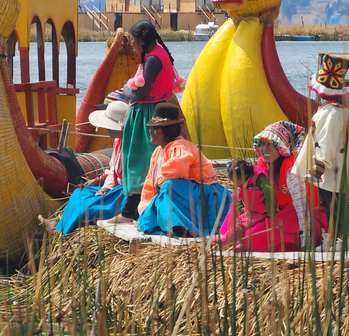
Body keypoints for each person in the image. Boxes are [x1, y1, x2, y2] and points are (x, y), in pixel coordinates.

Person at [108, 20, 178, 224]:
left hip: (146, 114)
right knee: (150, 161)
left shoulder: (153, 60)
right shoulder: (159, 54)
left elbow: (140, 93)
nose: (131, 44)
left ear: (142, 40)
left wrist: (126, 88)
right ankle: (140, 210)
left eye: (132, 40)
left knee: (138, 161)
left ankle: (129, 213)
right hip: (157, 108)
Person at [292, 53, 349, 250]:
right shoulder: (336, 110)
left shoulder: (331, 113)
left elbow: (326, 142)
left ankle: (345, 240)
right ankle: (334, 240)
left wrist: (319, 167)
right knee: (332, 202)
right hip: (337, 164)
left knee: (335, 203)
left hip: (332, 166)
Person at [137, 103, 230, 236]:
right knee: (154, 206)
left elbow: (177, 171)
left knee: (169, 185)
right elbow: (150, 183)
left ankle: (184, 226)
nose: (150, 132)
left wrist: (161, 183)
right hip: (182, 193)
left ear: (161, 131)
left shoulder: (180, 146)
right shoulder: (158, 151)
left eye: (152, 128)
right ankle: (172, 225)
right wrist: (146, 207)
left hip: (201, 193)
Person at [38, 99, 129, 234]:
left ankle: (62, 234)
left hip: (124, 194)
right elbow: (114, 171)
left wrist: (109, 188)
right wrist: (105, 187)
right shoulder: (118, 142)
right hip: (114, 189)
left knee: (86, 207)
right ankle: (59, 225)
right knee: (78, 193)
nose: (106, 129)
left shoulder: (131, 146)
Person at [251, 121, 325, 251]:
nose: (264, 149)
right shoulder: (263, 165)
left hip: (307, 218)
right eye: (261, 144)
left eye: (269, 144)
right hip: (284, 215)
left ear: (281, 147)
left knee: (257, 238)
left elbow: (301, 206)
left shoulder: (291, 168)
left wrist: (305, 241)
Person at [213, 158, 277, 250]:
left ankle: (228, 239)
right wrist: (241, 210)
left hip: (263, 212)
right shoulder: (243, 183)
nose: (236, 184)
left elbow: (269, 191)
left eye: (237, 182)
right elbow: (239, 197)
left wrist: (271, 213)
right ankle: (239, 243)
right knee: (240, 222)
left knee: (244, 225)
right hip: (251, 211)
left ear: (245, 175)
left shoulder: (259, 178)